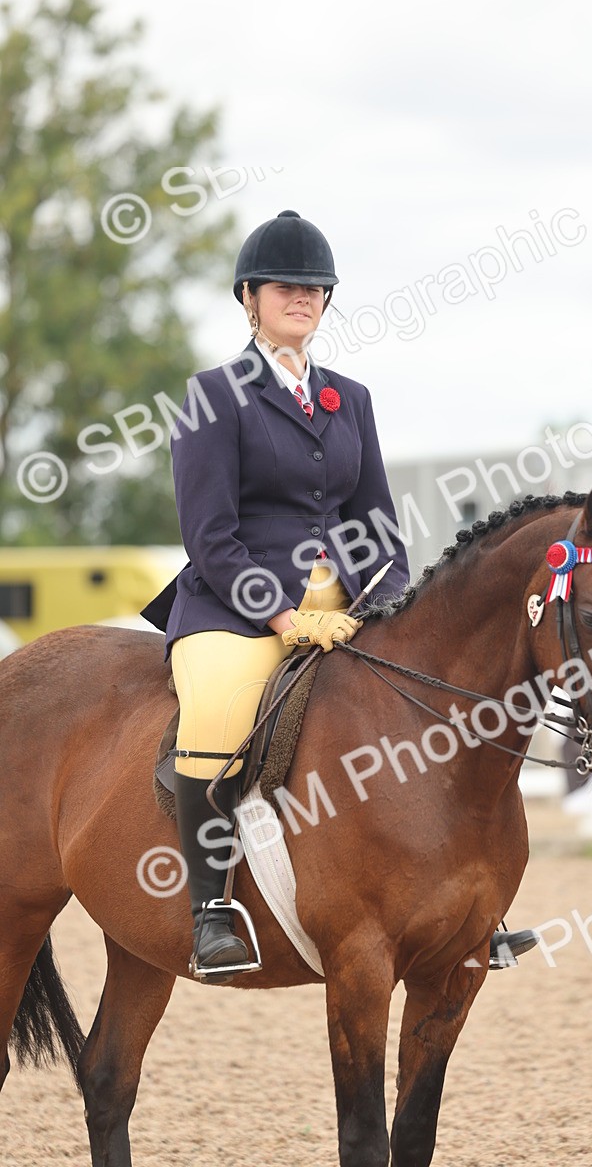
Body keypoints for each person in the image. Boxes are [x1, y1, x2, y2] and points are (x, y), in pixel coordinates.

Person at [141, 210, 537, 981]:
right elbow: (210, 534)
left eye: (317, 288)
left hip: (346, 602)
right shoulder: (210, 396)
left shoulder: (349, 398)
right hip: (236, 604)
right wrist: (280, 613)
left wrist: (389, 607)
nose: (304, 298)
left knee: (436, 703)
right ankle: (211, 908)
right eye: (288, 287)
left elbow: (379, 524)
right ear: (249, 298)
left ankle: (470, 905)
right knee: (222, 710)